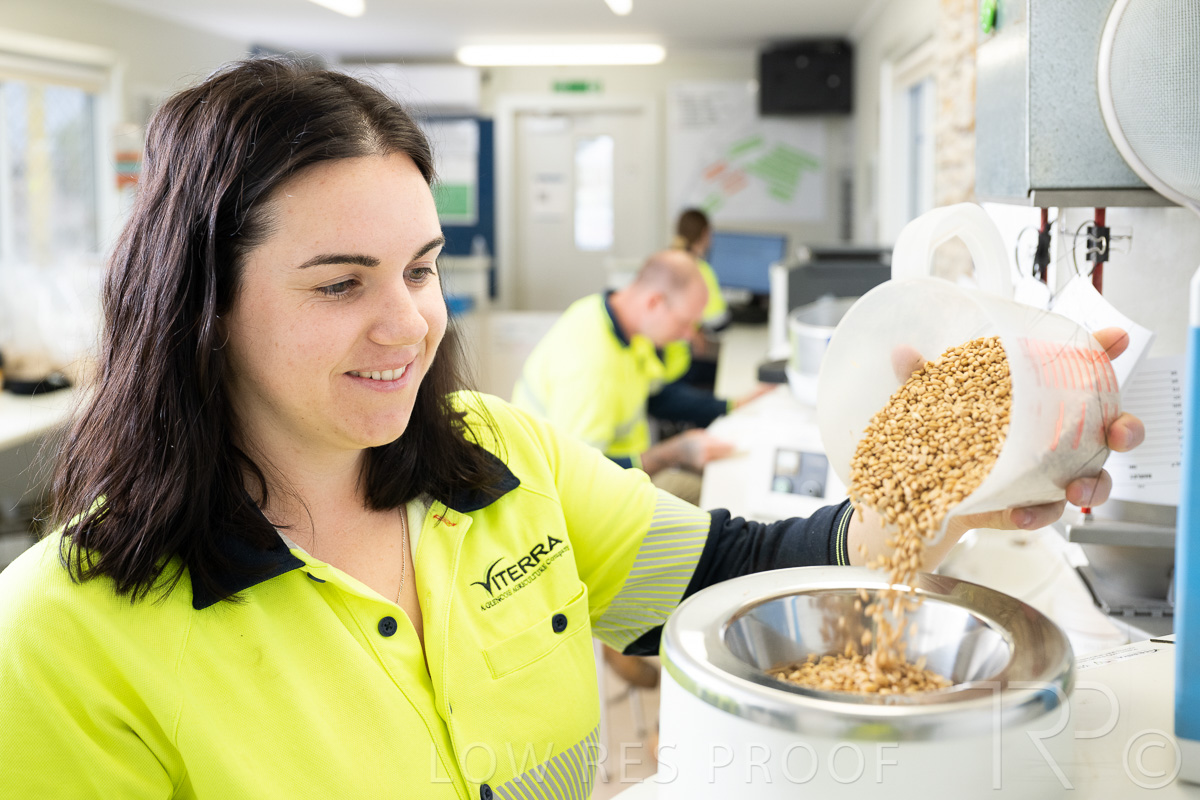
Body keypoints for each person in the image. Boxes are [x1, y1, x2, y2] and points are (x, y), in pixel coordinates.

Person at [0, 57, 1144, 798]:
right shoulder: (60, 638)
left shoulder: (498, 457)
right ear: (200, 303)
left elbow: (730, 574)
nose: (410, 323)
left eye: (421, 268)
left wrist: (941, 482)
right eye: (341, 282)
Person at [512, 250, 767, 503]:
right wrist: (673, 453)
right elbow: (580, 476)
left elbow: (656, 395)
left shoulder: (618, 321)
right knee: (723, 498)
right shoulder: (591, 371)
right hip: (580, 495)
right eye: (685, 323)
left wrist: (732, 405)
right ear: (654, 302)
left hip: (620, 468)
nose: (689, 335)